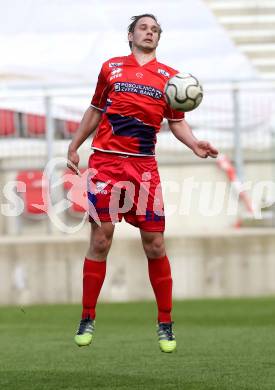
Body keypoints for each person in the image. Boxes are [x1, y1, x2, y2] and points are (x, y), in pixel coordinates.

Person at [67, 13, 218, 353]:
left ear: (158, 39)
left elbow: (177, 122)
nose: (149, 33)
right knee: (101, 241)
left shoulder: (170, 78)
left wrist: (195, 144)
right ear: (131, 35)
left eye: (155, 30)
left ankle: (165, 323)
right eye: (144, 28)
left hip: (143, 169)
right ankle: (87, 316)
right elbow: (94, 109)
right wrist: (74, 145)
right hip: (105, 163)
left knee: (155, 245)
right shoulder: (111, 68)